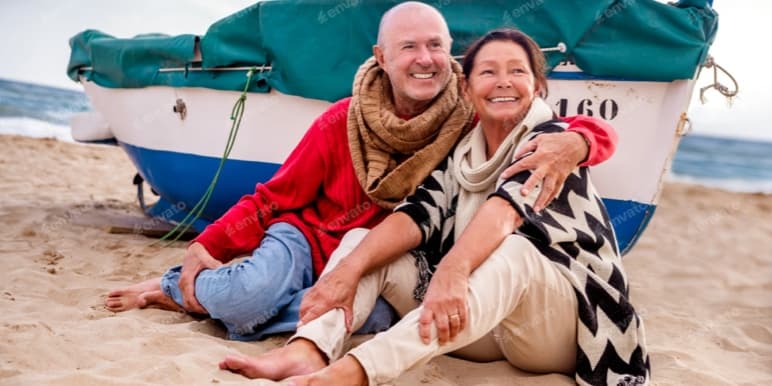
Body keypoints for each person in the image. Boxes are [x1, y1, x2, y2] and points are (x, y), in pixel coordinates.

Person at [104, 2, 618, 344]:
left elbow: (564, 125)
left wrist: (577, 142)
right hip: (306, 238)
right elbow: (274, 198)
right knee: (247, 296)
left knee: (375, 321)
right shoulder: (342, 120)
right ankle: (179, 288)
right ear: (382, 57)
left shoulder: (469, 118)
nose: (425, 59)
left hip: (377, 266)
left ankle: (248, 306)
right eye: (409, 48)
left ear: (452, 57)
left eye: (436, 46)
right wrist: (208, 247)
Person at [219, 27, 649, 386]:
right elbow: (417, 214)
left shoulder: (552, 143)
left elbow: (507, 210)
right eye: (488, 72)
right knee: (363, 242)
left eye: (517, 71)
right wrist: (348, 269)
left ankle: (355, 372)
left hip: (549, 332)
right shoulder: (464, 150)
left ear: (537, 86)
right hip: (476, 324)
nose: (502, 81)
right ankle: (308, 351)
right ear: (467, 86)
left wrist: (452, 269)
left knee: (517, 250)